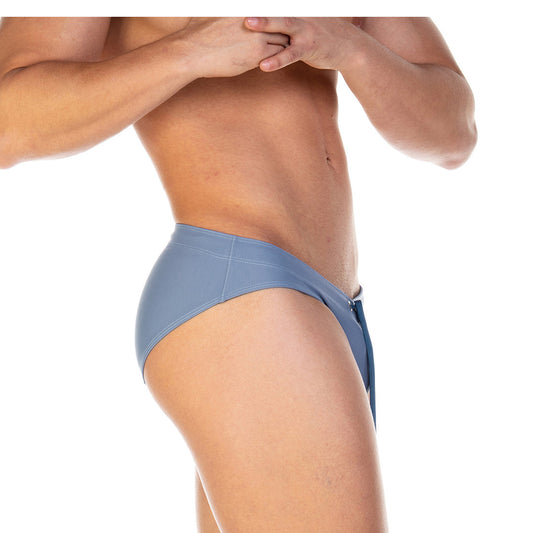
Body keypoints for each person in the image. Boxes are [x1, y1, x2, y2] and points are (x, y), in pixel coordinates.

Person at [0, 16, 476, 532]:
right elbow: (8, 122)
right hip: (240, 286)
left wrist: (351, 48)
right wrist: (190, 51)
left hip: (329, 308)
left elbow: (454, 135)